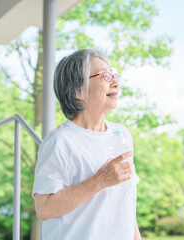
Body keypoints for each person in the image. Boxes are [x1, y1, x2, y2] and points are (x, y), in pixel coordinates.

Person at [32, 48, 141, 240]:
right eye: (105, 76)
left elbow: (126, 205)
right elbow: (45, 208)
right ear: (78, 91)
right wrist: (99, 181)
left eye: (114, 74)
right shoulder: (59, 141)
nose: (115, 82)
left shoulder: (122, 134)